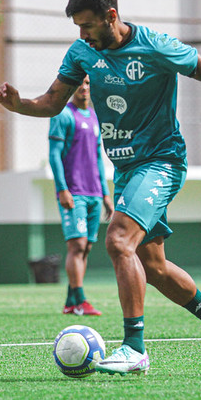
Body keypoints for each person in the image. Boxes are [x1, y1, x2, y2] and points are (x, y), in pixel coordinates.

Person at [0, 0, 201, 375]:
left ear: (111, 16)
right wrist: (20, 105)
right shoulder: (83, 51)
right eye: (78, 28)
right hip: (125, 169)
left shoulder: (154, 45)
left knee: (118, 240)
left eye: (87, 25)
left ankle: (134, 350)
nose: (82, 34)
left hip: (161, 161)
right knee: (152, 267)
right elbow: (53, 103)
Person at [49, 75, 114, 316]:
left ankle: (70, 301)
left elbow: (98, 158)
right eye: (80, 82)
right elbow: (54, 155)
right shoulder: (63, 115)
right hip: (73, 192)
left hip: (94, 193)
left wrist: (105, 193)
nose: (84, 87)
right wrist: (62, 188)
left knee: (86, 247)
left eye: (88, 82)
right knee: (76, 245)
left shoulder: (95, 117)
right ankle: (80, 300)